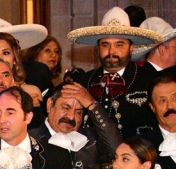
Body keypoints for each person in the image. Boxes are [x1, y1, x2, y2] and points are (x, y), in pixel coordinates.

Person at [69, 7, 163, 140]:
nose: (111, 51)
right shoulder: (83, 81)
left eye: (119, 45)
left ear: (131, 48)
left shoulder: (150, 80)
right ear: (98, 48)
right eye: (105, 45)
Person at [30, 80, 122, 169]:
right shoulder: (31, 140)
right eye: (65, 108)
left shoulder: (90, 139)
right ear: (49, 105)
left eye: (79, 112)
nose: (71, 117)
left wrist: (92, 105)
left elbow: (116, 150)